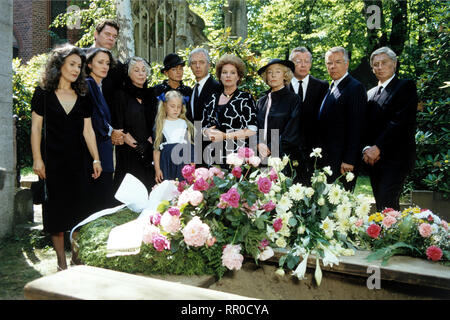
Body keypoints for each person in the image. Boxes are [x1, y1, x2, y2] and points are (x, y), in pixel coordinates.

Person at [30, 44, 102, 271]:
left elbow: (88, 130)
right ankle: (61, 262)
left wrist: (96, 159)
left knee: (79, 211)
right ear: (59, 64)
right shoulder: (42, 93)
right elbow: (35, 128)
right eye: (71, 64)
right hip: (52, 162)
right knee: (56, 213)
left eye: (79, 66)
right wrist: (37, 159)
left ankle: (77, 258)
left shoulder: (83, 95)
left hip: (78, 162)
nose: (75, 69)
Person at [363, 47, 418, 211]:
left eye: (384, 63)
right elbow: (364, 126)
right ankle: (383, 236)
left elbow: (400, 122)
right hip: (374, 160)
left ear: (394, 64)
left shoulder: (405, 87)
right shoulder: (370, 93)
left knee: (388, 203)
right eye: (375, 64)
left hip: (396, 158)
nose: (379, 67)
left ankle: (393, 236)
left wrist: (378, 147)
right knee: (381, 203)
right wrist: (366, 148)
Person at [317, 46, 367, 191]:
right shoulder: (331, 87)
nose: (332, 66)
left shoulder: (354, 88)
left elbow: (356, 126)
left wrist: (349, 159)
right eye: (329, 63)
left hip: (343, 163)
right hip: (328, 159)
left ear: (347, 64)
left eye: (337, 62)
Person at [202, 54, 257, 166]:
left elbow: (252, 130)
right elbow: (202, 127)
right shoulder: (211, 99)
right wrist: (206, 131)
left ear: (238, 77)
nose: (228, 76)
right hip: (214, 156)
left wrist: (225, 136)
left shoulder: (245, 98)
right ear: (220, 76)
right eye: (224, 72)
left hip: (238, 158)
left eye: (232, 72)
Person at [111, 57, 156, 192]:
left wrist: (147, 144)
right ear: (129, 73)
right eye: (136, 70)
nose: (141, 74)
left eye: (144, 70)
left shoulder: (151, 95)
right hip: (128, 151)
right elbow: (119, 125)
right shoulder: (120, 95)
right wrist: (137, 146)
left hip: (149, 150)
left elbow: (156, 123)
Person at [84, 47, 121, 213]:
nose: (105, 66)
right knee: (98, 203)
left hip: (104, 151)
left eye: (107, 63)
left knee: (104, 200)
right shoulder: (88, 84)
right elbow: (94, 118)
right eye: (100, 62)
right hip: (95, 151)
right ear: (90, 64)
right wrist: (111, 131)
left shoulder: (99, 86)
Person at [288, 47, 329, 185]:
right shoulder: (281, 86)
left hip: (315, 154)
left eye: (307, 61)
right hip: (287, 154)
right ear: (291, 64)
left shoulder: (322, 87)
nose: (303, 65)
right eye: (298, 61)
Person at [256, 59, 303, 169]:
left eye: (277, 72)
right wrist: (258, 143)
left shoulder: (293, 99)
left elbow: (292, 132)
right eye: (269, 72)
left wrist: (271, 148)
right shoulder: (261, 101)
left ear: (285, 75)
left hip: (283, 158)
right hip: (260, 157)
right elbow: (255, 126)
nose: (273, 75)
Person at [153, 90, 195, 183]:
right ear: (164, 106)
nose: (176, 109)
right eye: (172, 106)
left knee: (182, 186)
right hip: (166, 162)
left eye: (179, 107)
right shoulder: (160, 124)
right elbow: (156, 150)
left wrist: (192, 168)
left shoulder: (185, 124)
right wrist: (157, 170)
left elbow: (190, 147)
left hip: (182, 161)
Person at [91, 19, 126, 113]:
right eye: (107, 34)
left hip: (107, 122)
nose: (111, 38)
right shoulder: (79, 59)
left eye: (114, 36)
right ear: (96, 34)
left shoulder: (118, 67)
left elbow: (119, 100)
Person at [187, 48, 222, 124]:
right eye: (193, 63)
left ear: (209, 65)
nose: (197, 66)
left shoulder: (218, 88)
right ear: (190, 66)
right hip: (196, 135)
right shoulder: (193, 90)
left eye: (202, 62)